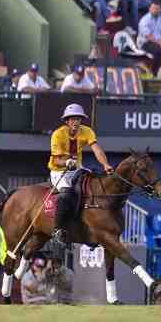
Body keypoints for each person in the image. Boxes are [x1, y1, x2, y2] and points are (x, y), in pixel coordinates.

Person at [48, 103, 113, 247]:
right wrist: (67, 163)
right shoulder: (57, 134)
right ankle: (57, 230)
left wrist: (105, 164)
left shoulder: (87, 131)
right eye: (72, 119)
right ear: (66, 121)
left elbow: (96, 149)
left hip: (77, 168)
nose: (75, 122)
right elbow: (57, 159)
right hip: (59, 171)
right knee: (65, 195)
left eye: (78, 119)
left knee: (92, 185)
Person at [137, 1, 161, 72]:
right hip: (145, 43)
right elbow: (149, 37)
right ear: (149, 9)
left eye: (157, 9)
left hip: (159, 42)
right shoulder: (144, 20)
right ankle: (154, 72)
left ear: (160, 10)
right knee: (158, 51)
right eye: (153, 8)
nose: (155, 10)